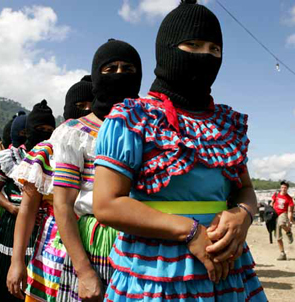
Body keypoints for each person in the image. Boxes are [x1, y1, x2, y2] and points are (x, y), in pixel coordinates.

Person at [93, 1, 267, 301]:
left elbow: (245, 189)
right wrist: (188, 231)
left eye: (214, 49)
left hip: (228, 273)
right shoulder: (132, 117)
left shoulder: (225, 124)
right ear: (167, 49)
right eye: (193, 45)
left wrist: (243, 215)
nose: (205, 55)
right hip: (156, 273)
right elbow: (107, 204)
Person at [52, 38, 142, 302]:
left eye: (128, 69)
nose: (119, 75)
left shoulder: (151, 125)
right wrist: (84, 272)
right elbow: (63, 204)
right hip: (93, 246)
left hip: (143, 243)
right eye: (109, 69)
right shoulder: (74, 133)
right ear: (96, 76)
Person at [7, 78, 93, 302]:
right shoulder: (46, 151)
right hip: (52, 255)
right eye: (81, 105)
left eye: (92, 103)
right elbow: (27, 210)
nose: (88, 110)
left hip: (99, 250)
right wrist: (17, 261)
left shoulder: (109, 144)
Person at [0, 109, 38, 302]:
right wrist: (10, 207)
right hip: (12, 222)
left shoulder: (49, 155)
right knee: (7, 268)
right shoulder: (6, 157)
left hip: (39, 224)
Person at [271, 181, 294, 260]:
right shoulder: (276, 195)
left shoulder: (289, 199)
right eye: (282, 187)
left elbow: (290, 211)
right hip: (275, 215)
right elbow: (272, 203)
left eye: (285, 188)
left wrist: (290, 221)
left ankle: (288, 232)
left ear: (287, 189)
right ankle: (282, 253)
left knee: (281, 223)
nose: (283, 189)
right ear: (280, 188)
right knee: (278, 237)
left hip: (283, 214)